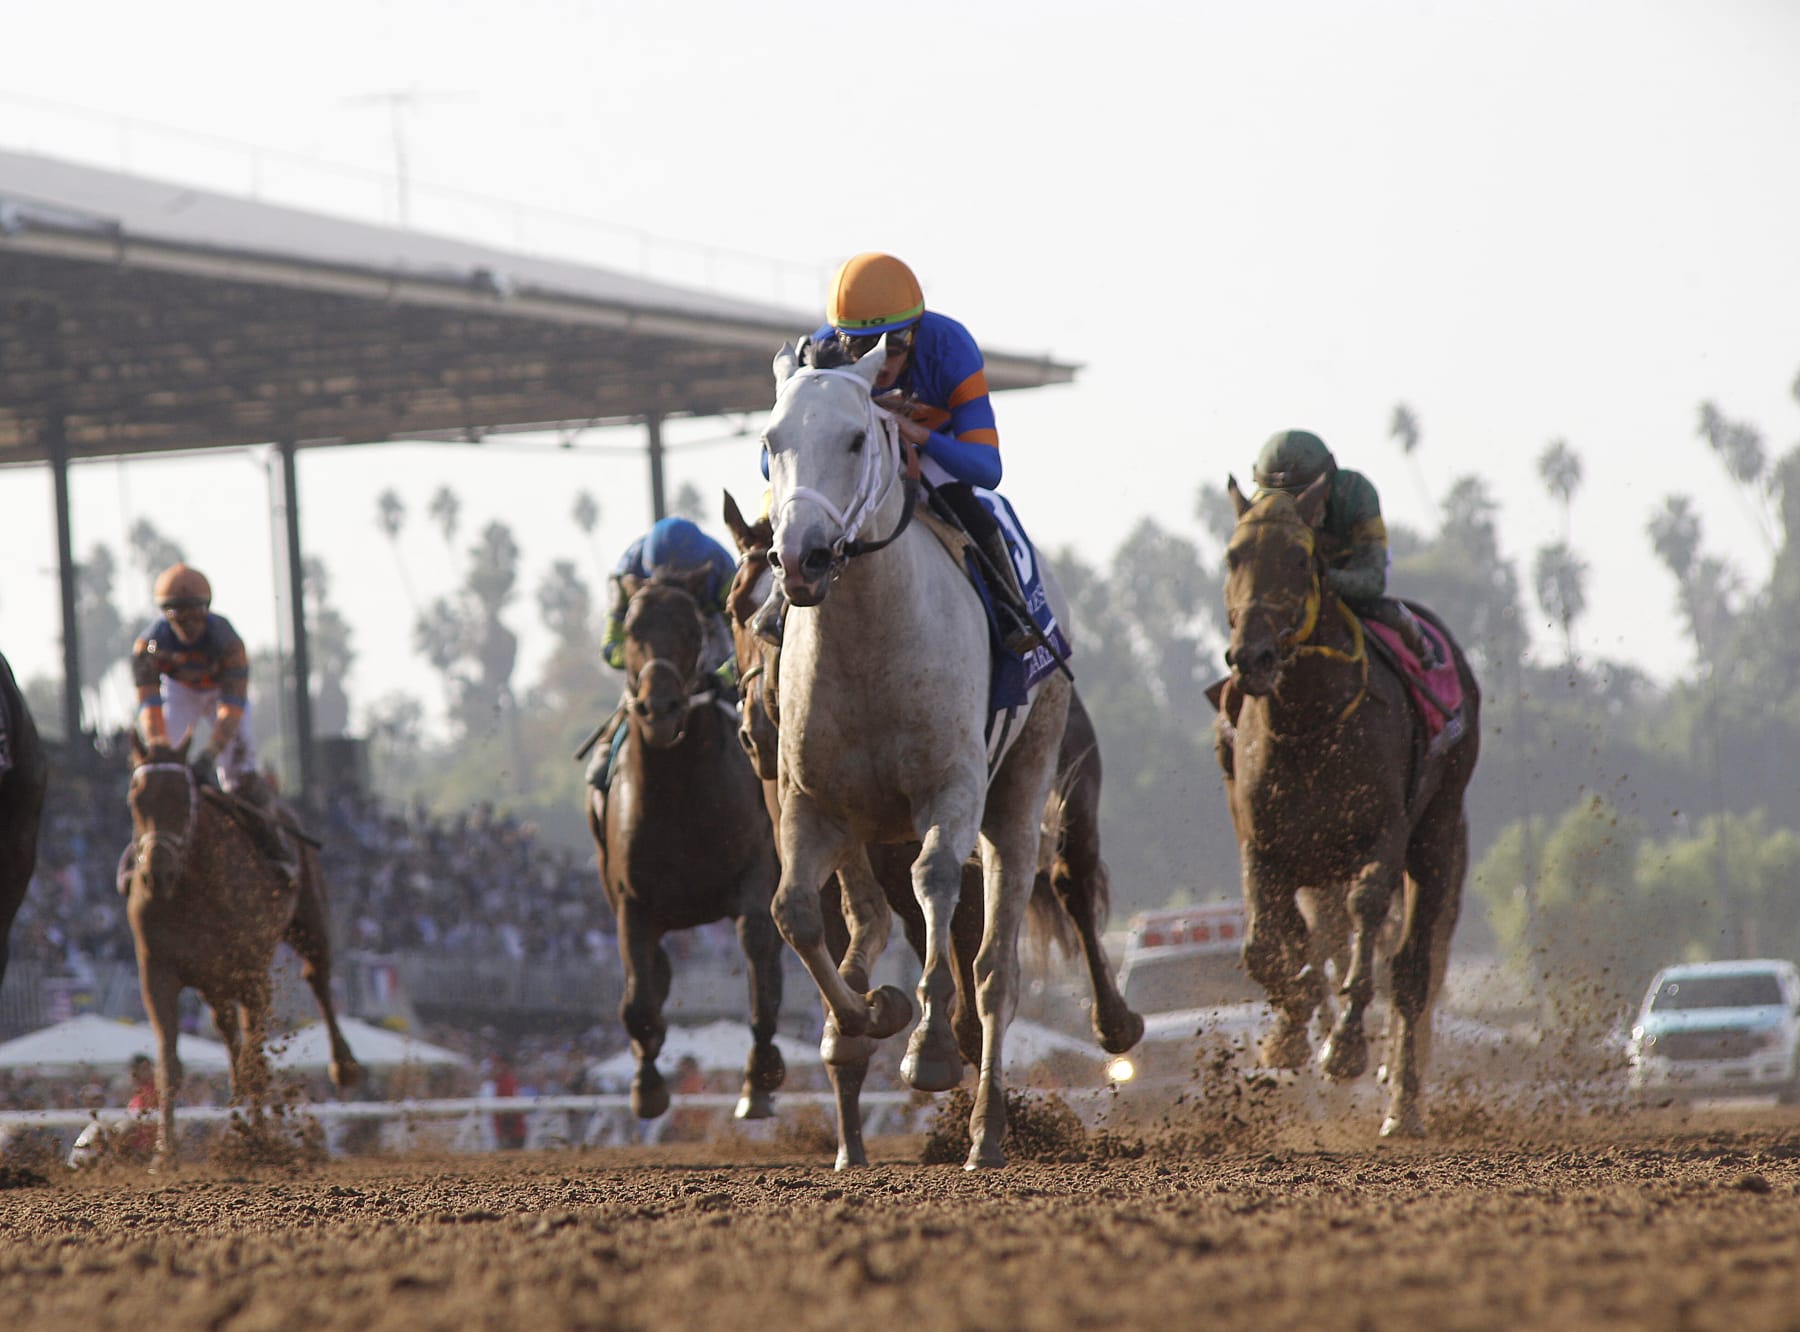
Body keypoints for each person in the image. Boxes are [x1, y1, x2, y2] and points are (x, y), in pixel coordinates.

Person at [753, 251, 1038, 654]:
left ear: (917, 333)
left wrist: (915, 432)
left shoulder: (951, 348)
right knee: (781, 507)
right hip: (851, 456)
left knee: (965, 504)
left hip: (934, 449)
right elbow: (771, 462)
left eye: (894, 344)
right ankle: (772, 604)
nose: (879, 360)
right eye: (860, 346)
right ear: (839, 339)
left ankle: (1011, 609)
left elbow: (987, 469)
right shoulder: (818, 353)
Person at [130, 563, 297, 882]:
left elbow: (232, 711)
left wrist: (208, 754)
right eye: (178, 615)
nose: (188, 624)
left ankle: (274, 848)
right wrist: (160, 747)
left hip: (222, 693)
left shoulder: (229, 643)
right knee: (155, 769)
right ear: (165, 614)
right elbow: (150, 706)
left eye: (195, 614)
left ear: (207, 609)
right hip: (179, 692)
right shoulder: (147, 648)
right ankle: (138, 849)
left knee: (239, 774)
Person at [1251, 430, 1441, 668]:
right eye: (1283, 503)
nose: (1294, 512)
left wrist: (1320, 579)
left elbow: (1373, 580)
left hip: (1350, 585)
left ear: (1326, 486)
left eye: (1304, 499)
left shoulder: (1355, 493)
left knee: (1397, 619)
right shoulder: (1259, 513)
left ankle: (1427, 664)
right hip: (1293, 603)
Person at [586, 517, 738, 792]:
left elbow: (748, 641)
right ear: (648, 570)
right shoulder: (626, 572)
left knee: (751, 706)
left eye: (682, 582)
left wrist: (726, 675)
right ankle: (608, 747)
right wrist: (642, 666)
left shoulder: (723, 570)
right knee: (644, 693)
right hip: (652, 648)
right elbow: (610, 646)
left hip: (709, 630)